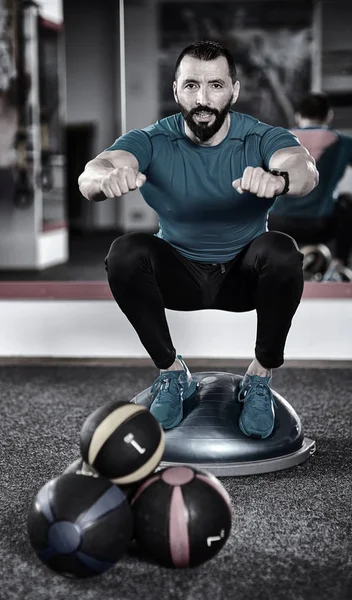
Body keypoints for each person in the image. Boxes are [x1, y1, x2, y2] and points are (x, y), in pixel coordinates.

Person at [78, 41, 318, 440]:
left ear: (234, 91)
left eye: (215, 86)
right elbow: (92, 173)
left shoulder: (258, 137)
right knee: (125, 252)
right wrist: (103, 179)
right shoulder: (153, 140)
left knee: (281, 251)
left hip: (245, 280)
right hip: (180, 277)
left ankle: (260, 375)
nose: (202, 99)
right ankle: (172, 373)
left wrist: (279, 179)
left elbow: (304, 167)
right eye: (191, 86)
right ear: (175, 90)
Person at [268, 91, 352, 280]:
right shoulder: (345, 142)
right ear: (329, 115)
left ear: (298, 116)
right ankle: (339, 265)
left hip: (277, 223)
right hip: (319, 224)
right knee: (350, 203)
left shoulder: (275, 139)